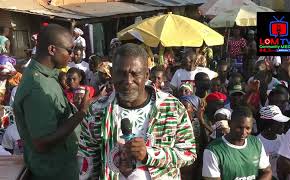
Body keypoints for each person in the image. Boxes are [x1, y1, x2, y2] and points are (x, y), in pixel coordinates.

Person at [78, 43, 196, 179]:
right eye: (121, 73)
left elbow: (189, 153)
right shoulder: (97, 111)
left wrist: (149, 155)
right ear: (112, 74)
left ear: (146, 75)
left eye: (135, 74)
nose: (128, 81)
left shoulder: (172, 107)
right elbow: (87, 162)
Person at [13, 24, 91, 180]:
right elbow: (42, 143)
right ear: (52, 50)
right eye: (69, 51)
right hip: (53, 172)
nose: (72, 56)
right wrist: (81, 113)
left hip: (63, 166)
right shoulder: (37, 88)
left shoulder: (48, 75)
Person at [202, 106, 272, 180]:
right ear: (229, 123)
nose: (243, 132)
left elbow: (267, 171)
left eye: (248, 128)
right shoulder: (213, 150)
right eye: (239, 128)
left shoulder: (256, 143)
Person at [257, 105, 290, 180]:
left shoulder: (283, 137)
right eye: (279, 123)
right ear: (268, 125)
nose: (283, 125)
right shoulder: (257, 143)